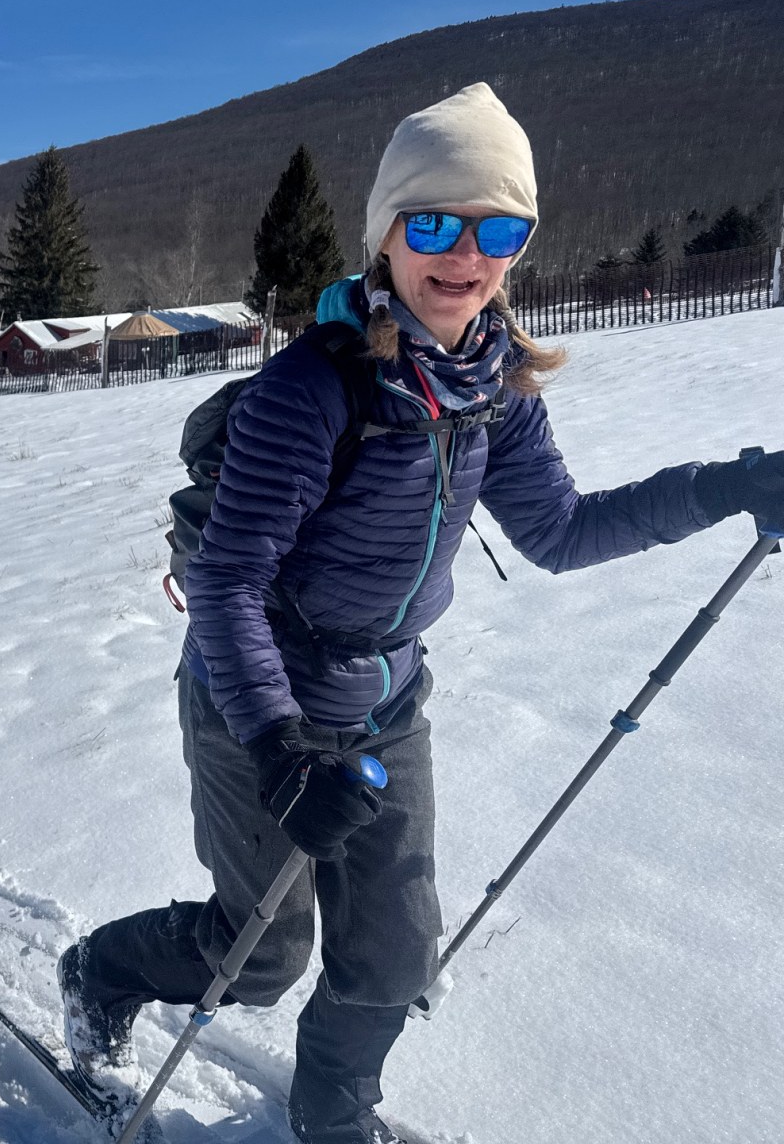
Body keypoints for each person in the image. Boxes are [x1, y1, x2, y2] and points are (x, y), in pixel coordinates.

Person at [57, 82, 784, 1144]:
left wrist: (725, 488)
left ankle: (333, 1118)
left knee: (396, 955)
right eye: (435, 224)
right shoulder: (309, 390)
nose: (465, 256)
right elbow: (226, 583)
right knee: (260, 956)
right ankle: (100, 972)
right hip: (255, 700)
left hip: (386, 702)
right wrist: (280, 748)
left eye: (499, 230)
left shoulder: (494, 388)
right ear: (387, 235)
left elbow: (562, 531)